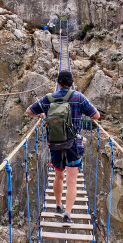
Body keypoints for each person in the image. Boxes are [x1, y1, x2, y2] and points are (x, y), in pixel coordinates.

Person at [26, 70, 100, 226]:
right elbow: (96, 116)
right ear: (72, 83)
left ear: (58, 83)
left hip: (55, 144)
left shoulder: (48, 98)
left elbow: (29, 111)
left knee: (58, 176)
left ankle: (58, 206)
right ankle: (67, 215)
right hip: (74, 144)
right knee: (72, 181)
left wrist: (42, 116)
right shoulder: (79, 97)